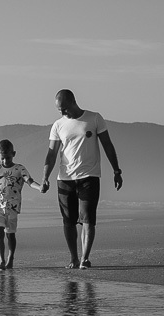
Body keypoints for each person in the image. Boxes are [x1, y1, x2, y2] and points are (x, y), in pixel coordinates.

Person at [40, 89, 123, 269]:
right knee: (68, 221)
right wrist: (45, 177)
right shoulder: (58, 125)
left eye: (63, 108)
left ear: (72, 102)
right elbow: (52, 153)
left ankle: (85, 258)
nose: (62, 112)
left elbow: (107, 145)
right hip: (65, 178)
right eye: (58, 110)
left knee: (88, 219)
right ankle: (73, 258)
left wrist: (116, 170)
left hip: (89, 177)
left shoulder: (94, 118)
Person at [0, 139, 38, 270]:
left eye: (7, 157)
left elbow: (29, 181)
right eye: (2, 158)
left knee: (10, 234)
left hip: (12, 205)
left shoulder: (19, 168)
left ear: (14, 153)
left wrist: (40, 187)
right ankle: (1, 260)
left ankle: (10, 258)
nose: (5, 161)